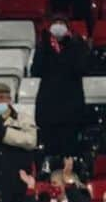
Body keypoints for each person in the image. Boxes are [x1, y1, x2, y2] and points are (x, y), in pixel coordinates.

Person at [30, 13, 90, 159]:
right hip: (49, 106)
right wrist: (44, 45)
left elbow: (83, 68)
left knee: (69, 152)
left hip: (71, 107)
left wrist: (71, 45)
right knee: (50, 151)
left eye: (61, 23)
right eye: (55, 22)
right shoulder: (44, 44)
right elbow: (35, 70)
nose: (58, 25)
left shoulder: (77, 44)